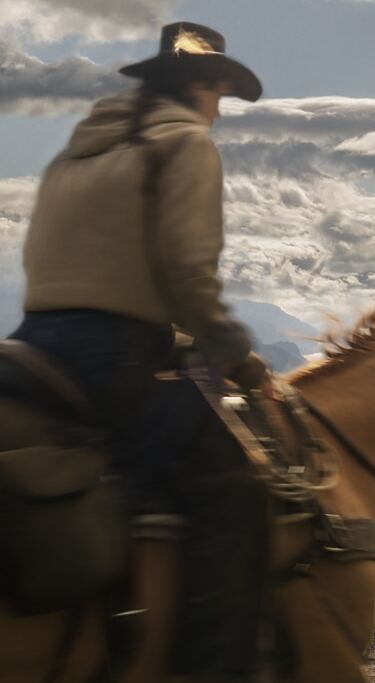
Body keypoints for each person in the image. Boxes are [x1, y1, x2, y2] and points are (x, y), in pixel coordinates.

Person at [12, 22, 268, 679]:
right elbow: (187, 274)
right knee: (239, 486)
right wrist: (231, 346)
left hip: (32, 347)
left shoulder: (80, 151)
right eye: (220, 93)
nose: (220, 110)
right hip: (113, 356)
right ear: (200, 85)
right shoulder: (185, 145)